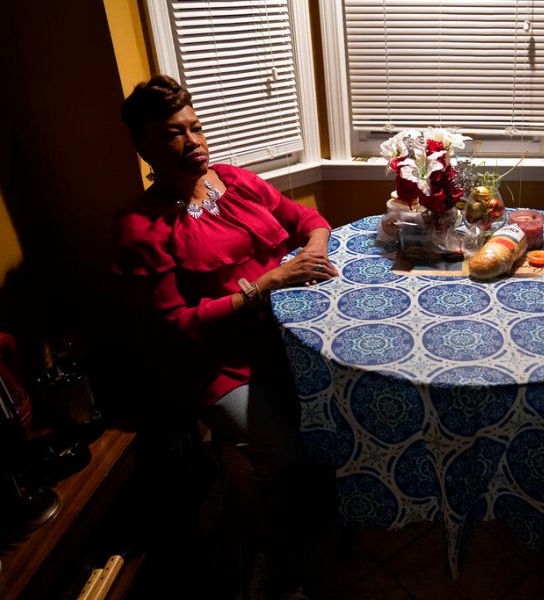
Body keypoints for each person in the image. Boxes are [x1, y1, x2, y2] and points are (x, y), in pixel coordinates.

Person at [112, 74, 336, 599]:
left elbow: (307, 217)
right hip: (214, 367)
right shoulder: (140, 228)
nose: (193, 141)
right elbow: (178, 325)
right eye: (172, 133)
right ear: (143, 146)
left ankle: (321, 518)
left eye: (195, 127)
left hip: (283, 338)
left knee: (338, 414)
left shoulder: (233, 182)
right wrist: (264, 286)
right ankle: (279, 569)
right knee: (283, 456)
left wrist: (313, 252)